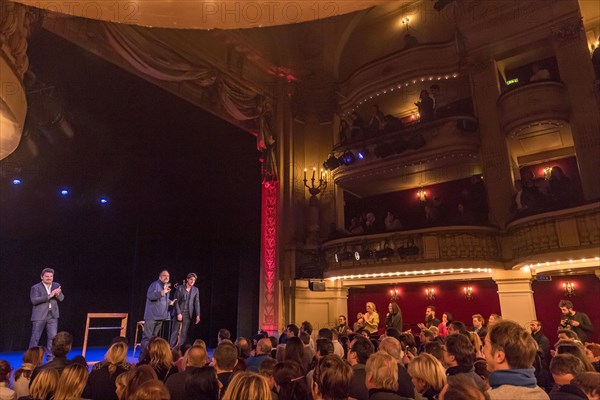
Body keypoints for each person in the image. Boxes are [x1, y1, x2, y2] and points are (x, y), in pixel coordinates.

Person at [483, 320, 549, 400]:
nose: (483, 350)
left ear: (499, 356)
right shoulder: (542, 395)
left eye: (485, 345)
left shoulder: (492, 397)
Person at [29, 268, 64, 361]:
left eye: (51, 276)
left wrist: (58, 294)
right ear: (42, 277)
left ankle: (50, 359)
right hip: (39, 316)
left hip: (52, 315)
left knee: (52, 338)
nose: (49, 278)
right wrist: (49, 296)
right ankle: (31, 359)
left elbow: (61, 299)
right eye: (47, 276)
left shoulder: (56, 285)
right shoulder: (35, 287)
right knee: (35, 338)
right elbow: (34, 300)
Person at [140, 270, 172, 355]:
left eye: (168, 276)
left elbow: (163, 299)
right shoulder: (155, 284)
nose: (166, 277)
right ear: (160, 277)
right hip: (152, 316)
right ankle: (143, 356)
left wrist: (170, 302)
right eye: (164, 275)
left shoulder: (166, 287)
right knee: (147, 337)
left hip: (160, 317)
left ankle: (151, 355)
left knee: (154, 338)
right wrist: (162, 292)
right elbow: (150, 296)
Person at [170, 272, 201, 349]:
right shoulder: (180, 288)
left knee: (184, 333)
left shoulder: (195, 290)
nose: (192, 281)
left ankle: (180, 350)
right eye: (191, 279)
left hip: (188, 314)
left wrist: (198, 315)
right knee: (175, 332)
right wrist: (179, 313)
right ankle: (170, 350)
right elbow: (176, 301)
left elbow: (197, 303)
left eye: (194, 280)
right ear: (187, 279)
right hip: (179, 312)